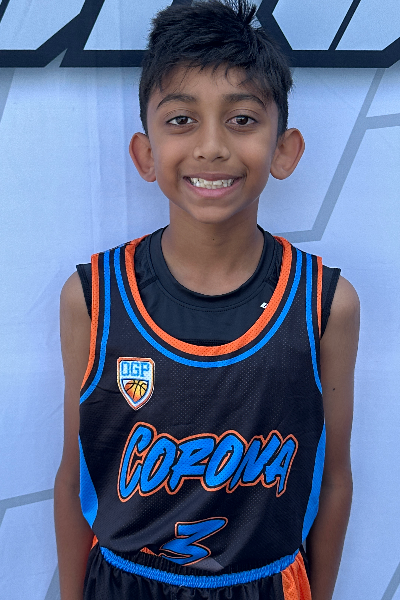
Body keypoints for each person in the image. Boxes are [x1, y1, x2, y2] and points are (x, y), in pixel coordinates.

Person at [54, 1, 359, 599]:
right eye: (181, 120)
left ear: (284, 149)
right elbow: (73, 480)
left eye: (242, 119)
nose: (212, 146)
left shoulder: (325, 304)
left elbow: (334, 479)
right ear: (145, 153)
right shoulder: (94, 296)